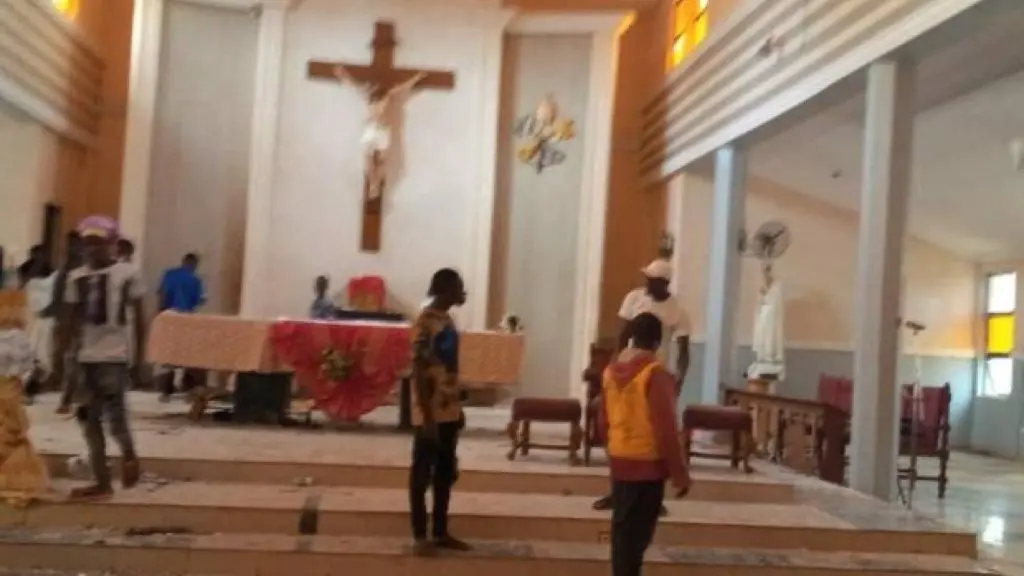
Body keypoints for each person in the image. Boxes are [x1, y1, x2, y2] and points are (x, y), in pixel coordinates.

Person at [53, 215, 144, 500]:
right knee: (88, 420)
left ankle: (129, 455)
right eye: (87, 244)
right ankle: (101, 481)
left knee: (116, 417)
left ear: (112, 244)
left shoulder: (126, 274)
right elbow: (69, 321)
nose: (92, 249)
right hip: (84, 358)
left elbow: (139, 319)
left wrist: (139, 358)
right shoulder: (76, 277)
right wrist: (60, 356)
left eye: (98, 243)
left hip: (114, 356)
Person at [593, 258, 691, 512]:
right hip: (628, 369)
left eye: (653, 280)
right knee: (620, 431)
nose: (647, 284)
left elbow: (684, 351)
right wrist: (614, 365)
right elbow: (623, 334)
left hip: (657, 373)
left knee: (657, 435)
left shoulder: (677, 311)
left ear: (665, 283)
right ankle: (617, 490)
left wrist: (679, 381)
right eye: (646, 279)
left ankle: (654, 499)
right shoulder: (634, 298)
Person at [600, 312, 689, 576]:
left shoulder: (610, 372)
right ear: (657, 342)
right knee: (638, 537)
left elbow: (602, 421)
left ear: (632, 339)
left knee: (622, 533)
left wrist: (614, 450)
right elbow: (665, 428)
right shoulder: (656, 374)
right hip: (648, 465)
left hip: (620, 458)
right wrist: (679, 473)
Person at [408, 268, 471, 556]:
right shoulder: (425, 321)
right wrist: (427, 415)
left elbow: (448, 368)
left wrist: (457, 406)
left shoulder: (447, 319)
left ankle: (441, 531)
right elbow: (419, 370)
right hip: (430, 410)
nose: (462, 292)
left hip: (448, 408)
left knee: (445, 472)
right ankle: (420, 535)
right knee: (422, 473)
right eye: (458, 287)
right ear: (444, 290)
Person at [0, 290, 50, 507]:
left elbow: (25, 365)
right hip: (9, 388)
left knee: (9, 431)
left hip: (8, 389)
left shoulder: (16, 338)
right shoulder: (18, 338)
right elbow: (27, 365)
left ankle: (15, 481)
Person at [155, 253, 206, 401]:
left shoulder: (169, 274)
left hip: (169, 316)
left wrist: (159, 314)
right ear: (194, 264)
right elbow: (199, 301)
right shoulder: (195, 280)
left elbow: (162, 295)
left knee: (168, 355)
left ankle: (166, 391)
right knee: (186, 354)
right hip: (186, 319)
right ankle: (188, 388)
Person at [51, 231, 83, 414]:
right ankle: (68, 397)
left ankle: (68, 399)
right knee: (67, 359)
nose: (72, 248)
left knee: (74, 360)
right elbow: (57, 296)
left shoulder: (82, 268)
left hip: (79, 321)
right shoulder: (65, 267)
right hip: (64, 320)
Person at [22, 258, 57, 404]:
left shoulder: (43, 284)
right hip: (36, 324)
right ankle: (28, 391)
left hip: (43, 325)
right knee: (38, 361)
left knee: (41, 361)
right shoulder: (32, 285)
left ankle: (29, 391)